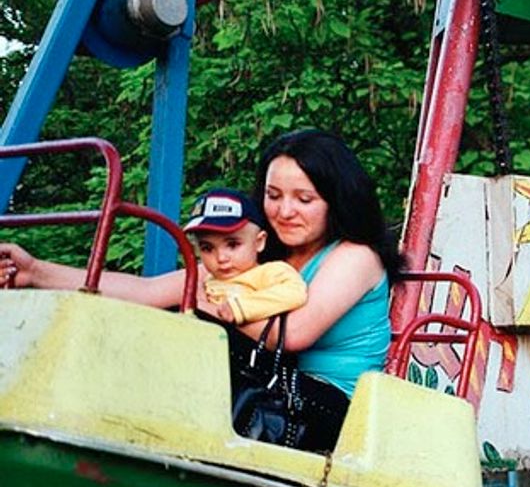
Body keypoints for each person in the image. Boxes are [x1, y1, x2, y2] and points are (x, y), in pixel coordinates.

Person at [0, 129, 403, 452]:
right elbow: (150, 290)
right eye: (274, 196)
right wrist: (34, 272)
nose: (284, 211)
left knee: (211, 329)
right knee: (168, 315)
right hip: (273, 390)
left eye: (304, 199)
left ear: (336, 200)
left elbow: (292, 333)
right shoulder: (262, 252)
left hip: (331, 410)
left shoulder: (355, 256)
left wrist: (207, 300)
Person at [182, 187, 307, 323]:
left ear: (259, 242)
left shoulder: (269, 272)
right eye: (207, 248)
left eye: (232, 245)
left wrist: (242, 308)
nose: (221, 258)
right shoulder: (207, 282)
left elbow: (295, 292)